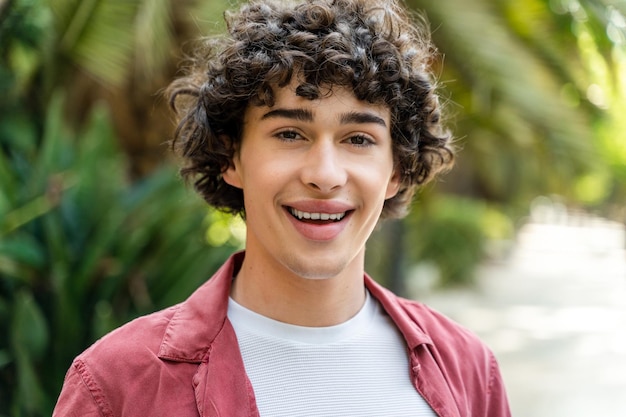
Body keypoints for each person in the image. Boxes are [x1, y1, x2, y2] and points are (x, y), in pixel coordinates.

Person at [53, 0, 511, 416]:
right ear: (231, 156)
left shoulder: (468, 371)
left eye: (358, 139)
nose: (325, 174)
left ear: (396, 170)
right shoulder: (117, 386)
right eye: (290, 134)